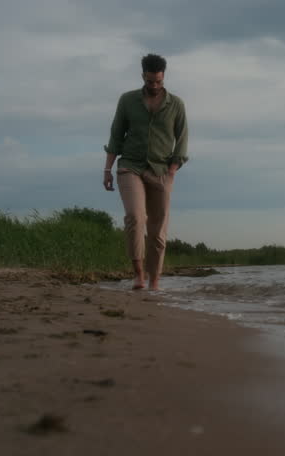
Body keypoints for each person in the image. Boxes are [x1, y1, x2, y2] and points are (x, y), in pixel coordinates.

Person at [103, 53, 188, 290]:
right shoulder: (127, 100)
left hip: (162, 170)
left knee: (158, 229)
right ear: (143, 76)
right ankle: (138, 275)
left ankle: (155, 281)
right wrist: (107, 168)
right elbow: (115, 135)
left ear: (163, 77)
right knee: (135, 217)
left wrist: (172, 169)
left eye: (158, 81)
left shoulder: (176, 104)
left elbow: (182, 140)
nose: (154, 86)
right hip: (131, 166)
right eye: (150, 81)